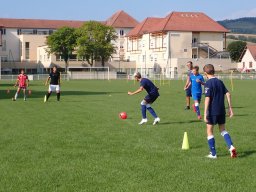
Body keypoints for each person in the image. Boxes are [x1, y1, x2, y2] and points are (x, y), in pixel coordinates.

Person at [203, 64, 237, 159]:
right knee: (223, 130)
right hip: (221, 110)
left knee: (209, 131)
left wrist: (205, 113)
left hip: (212, 111)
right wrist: (230, 108)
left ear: (205, 73)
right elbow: (228, 94)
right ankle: (231, 146)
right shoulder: (220, 82)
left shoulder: (208, 83)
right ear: (214, 71)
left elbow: (207, 99)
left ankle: (213, 154)